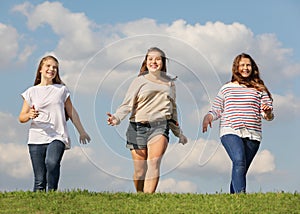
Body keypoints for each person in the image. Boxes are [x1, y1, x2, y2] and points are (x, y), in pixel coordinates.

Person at [107, 47, 187, 193]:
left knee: (154, 162)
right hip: (137, 127)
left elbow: (172, 110)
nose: (154, 62)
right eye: (150, 59)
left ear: (163, 62)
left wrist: (179, 133)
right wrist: (116, 118)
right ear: (146, 61)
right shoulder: (139, 81)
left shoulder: (170, 83)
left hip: (160, 126)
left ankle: (148, 200)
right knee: (139, 171)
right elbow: (127, 104)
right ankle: (140, 195)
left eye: (157, 59)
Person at [202, 53, 274, 194]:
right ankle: (241, 197)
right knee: (239, 161)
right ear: (236, 68)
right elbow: (217, 108)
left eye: (248, 65)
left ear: (253, 68)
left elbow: (268, 115)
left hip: (253, 134)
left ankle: (233, 202)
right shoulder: (227, 88)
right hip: (230, 130)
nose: (245, 68)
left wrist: (268, 112)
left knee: (240, 169)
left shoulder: (260, 89)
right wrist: (209, 116)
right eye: (242, 65)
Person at [19, 55, 91, 192]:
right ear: (40, 69)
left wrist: (82, 131)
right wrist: (29, 115)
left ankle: (52, 193)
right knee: (39, 180)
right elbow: (21, 117)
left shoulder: (61, 90)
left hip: (57, 135)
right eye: (48, 66)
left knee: (51, 162)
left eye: (55, 68)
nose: (52, 69)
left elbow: (72, 112)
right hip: (36, 138)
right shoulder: (31, 92)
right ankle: (38, 208)